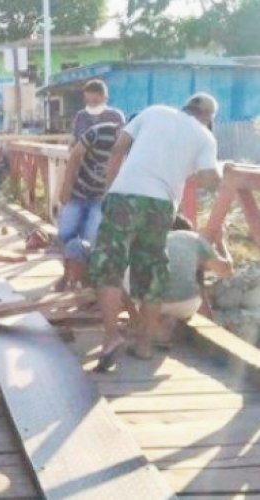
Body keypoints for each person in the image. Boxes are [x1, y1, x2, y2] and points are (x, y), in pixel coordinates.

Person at [88, 93, 222, 371]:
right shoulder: (205, 137)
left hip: (124, 195)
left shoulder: (154, 111)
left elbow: (118, 148)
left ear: (186, 105)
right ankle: (145, 344)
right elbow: (211, 181)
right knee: (150, 272)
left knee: (108, 266)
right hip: (160, 205)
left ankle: (112, 337)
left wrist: (108, 189)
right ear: (208, 118)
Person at [123, 215, 233, 349]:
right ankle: (169, 320)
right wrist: (221, 242)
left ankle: (145, 322)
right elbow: (226, 271)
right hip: (186, 305)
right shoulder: (194, 239)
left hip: (145, 303)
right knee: (188, 279)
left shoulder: (147, 237)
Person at [56, 120, 122, 291]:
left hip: (101, 197)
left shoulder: (134, 147)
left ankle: (84, 279)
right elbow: (75, 156)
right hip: (78, 191)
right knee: (65, 233)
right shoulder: (98, 133)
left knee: (91, 238)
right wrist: (66, 187)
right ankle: (67, 274)